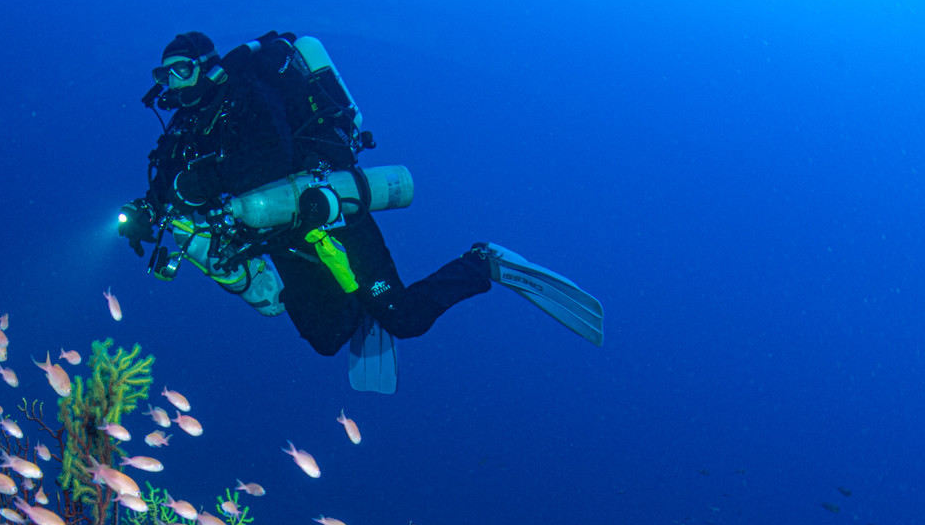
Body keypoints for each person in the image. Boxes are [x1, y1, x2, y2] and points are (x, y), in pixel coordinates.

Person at [118, 31, 602, 392]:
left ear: (207, 65)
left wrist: (211, 179)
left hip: (325, 213)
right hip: (278, 239)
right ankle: (359, 306)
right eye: (164, 75)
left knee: (405, 319)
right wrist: (145, 209)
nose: (172, 84)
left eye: (180, 70)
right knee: (326, 338)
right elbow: (169, 184)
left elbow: (274, 154)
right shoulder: (184, 127)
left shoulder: (246, 94)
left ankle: (483, 262)